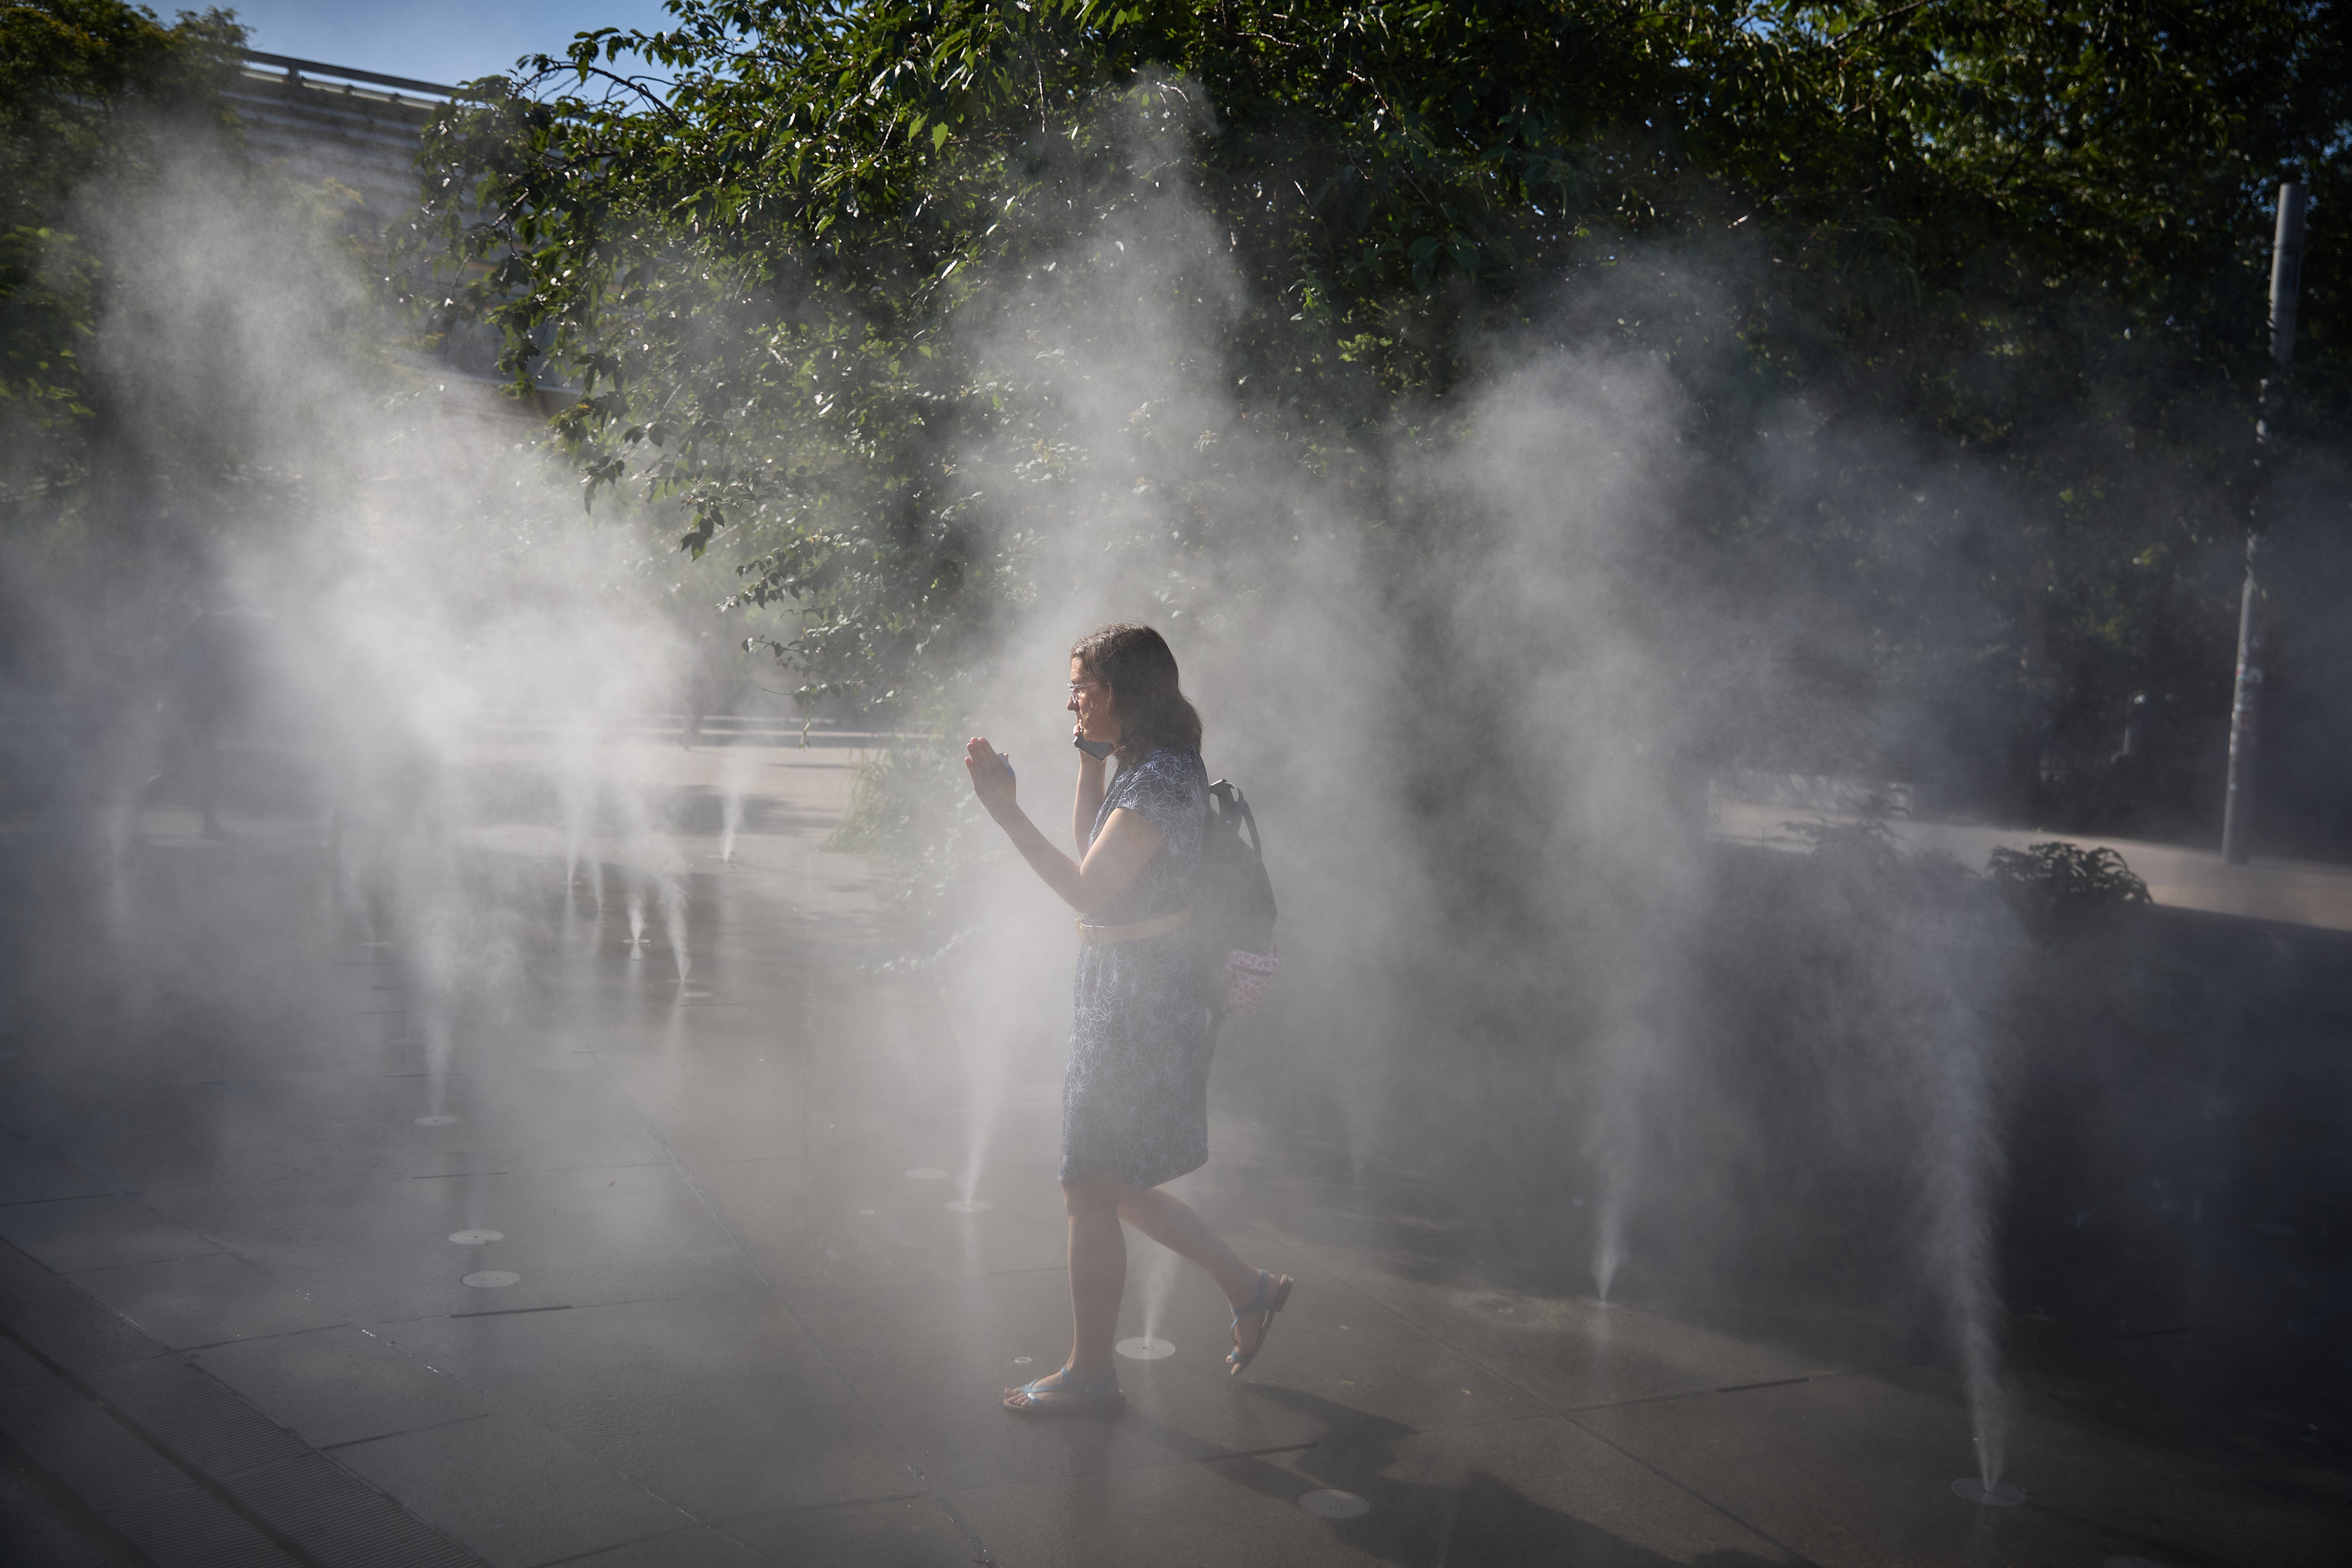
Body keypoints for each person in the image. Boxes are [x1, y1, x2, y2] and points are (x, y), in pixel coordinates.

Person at [963, 623, 1292, 1417]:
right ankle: (1250, 1289)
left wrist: (1007, 813)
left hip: (1144, 999)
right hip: (1128, 984)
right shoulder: (1147, 770)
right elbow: (1094, 855)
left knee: (1089, 1184)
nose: (1069, 698)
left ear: (1116, 691)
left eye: (1079, 685)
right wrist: (1087, 759)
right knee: (1123, 1185)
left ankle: (1090, 1372)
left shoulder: (1162, 783)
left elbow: (1086, 890)